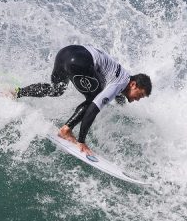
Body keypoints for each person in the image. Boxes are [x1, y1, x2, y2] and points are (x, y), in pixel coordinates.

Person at [13, 45, 151, 155]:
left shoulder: (122, 76)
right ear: (133, 84)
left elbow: (119, 95)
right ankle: (66, 130)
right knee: (93, 98)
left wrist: (122, 105)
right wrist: (81, 141)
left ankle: (16, 92)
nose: (138, 99)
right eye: (140, 95)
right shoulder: (119, 83)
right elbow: (93, 108)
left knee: (57, 90)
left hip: (66, 53)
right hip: (80, 62)